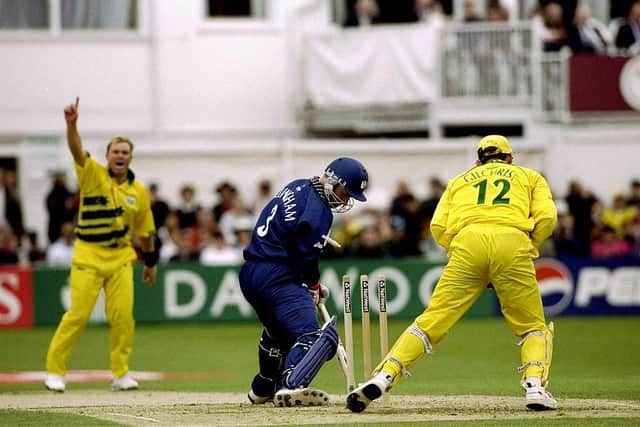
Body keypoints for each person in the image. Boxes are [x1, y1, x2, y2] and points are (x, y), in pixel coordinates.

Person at [347, 135, 558, 413]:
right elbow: (547, 217)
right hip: (512, 240)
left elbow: (438, 226)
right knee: (532, 326)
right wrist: (528, 246)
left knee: (430, 322)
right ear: (509, 158)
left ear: (478, 160)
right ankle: (534, 387)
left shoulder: (460, 180)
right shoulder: (529, 176)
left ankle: (383, 376)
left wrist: (459, 251)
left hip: (467, 243)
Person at [44, 97, 157, 393]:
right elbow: (76, 149)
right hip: (87, 255)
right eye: (116, 151)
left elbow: (146, 231)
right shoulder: (92, 174)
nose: (120, 156)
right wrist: (72, 125)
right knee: (77, 316)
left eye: (125, 152)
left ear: (130, 158)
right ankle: (55, 371)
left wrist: (150, 263)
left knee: (122, 318)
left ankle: (120, 373)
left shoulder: (139, 192)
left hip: (120, 257)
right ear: (107, 156)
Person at [240, 157, 368, 407]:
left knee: (278, 333)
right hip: (277, 275)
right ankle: (290, 384)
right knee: (312, 335)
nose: (345, 200)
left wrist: (309, 285)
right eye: (344, 193)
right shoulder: (319, 212)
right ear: (332, 181)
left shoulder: (297, 186)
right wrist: (313, 285)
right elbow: (306, 258)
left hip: (250, 273)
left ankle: (263, 385)